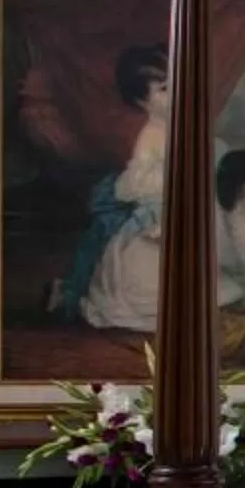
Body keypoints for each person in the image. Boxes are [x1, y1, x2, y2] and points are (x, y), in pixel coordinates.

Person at [63, 45, 172, 330]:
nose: (177, 93)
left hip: (182, 209)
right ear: (142, 102)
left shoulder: (181, 129)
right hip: (154, 216)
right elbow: (132, 185)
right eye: (164, 88)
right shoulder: (151, 137)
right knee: (146, 274)